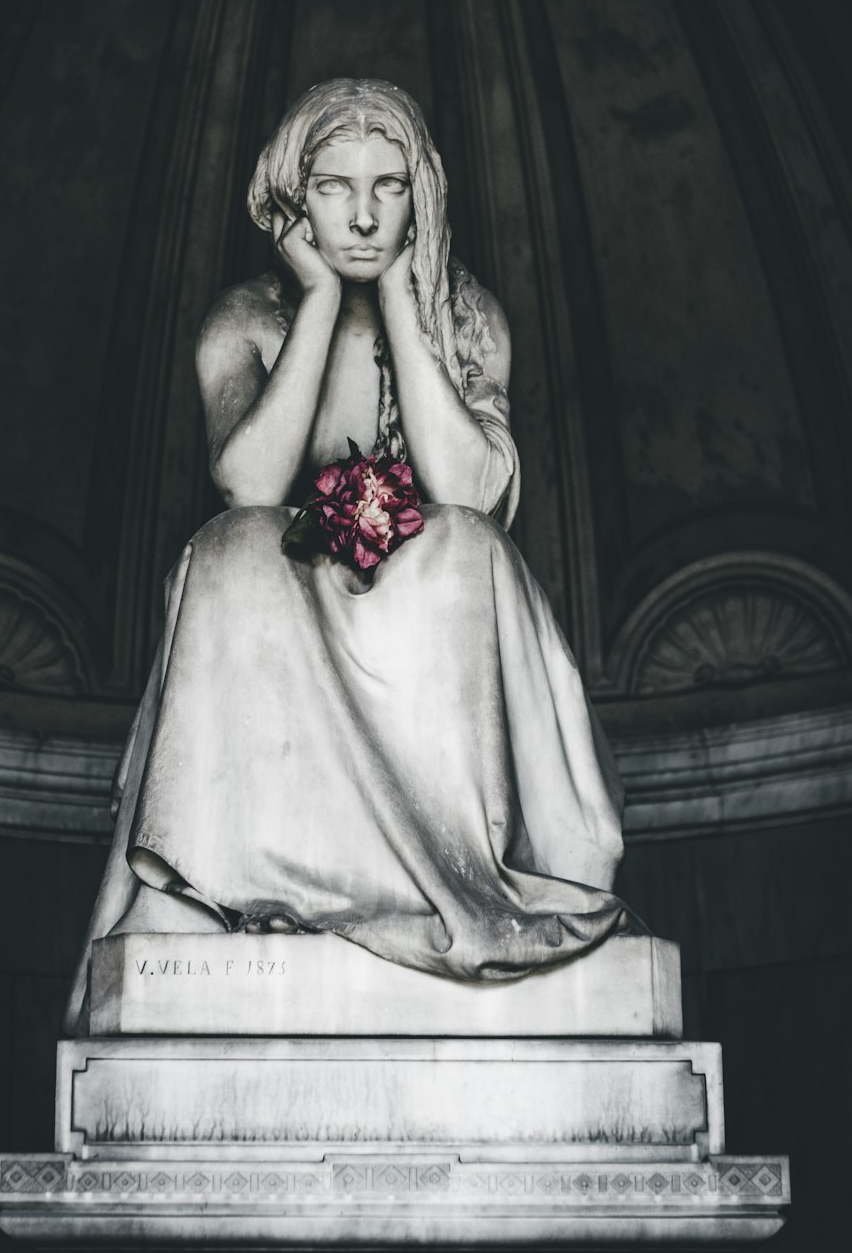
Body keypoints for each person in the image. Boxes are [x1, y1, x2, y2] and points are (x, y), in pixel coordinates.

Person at [64, 78, 634, 1034]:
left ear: (426, 194)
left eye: (391, 184)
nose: (366, 214)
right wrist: (325, 297)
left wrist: (408, 309)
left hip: (425, 579)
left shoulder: (469, 320)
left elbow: (471, 490)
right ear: (291, 200)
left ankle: (455, 879)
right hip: (291, 581)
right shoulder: (244, 321)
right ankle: (227, 879)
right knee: (229, 552)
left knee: (464, 551)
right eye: (334, 187)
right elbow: (250, 482)